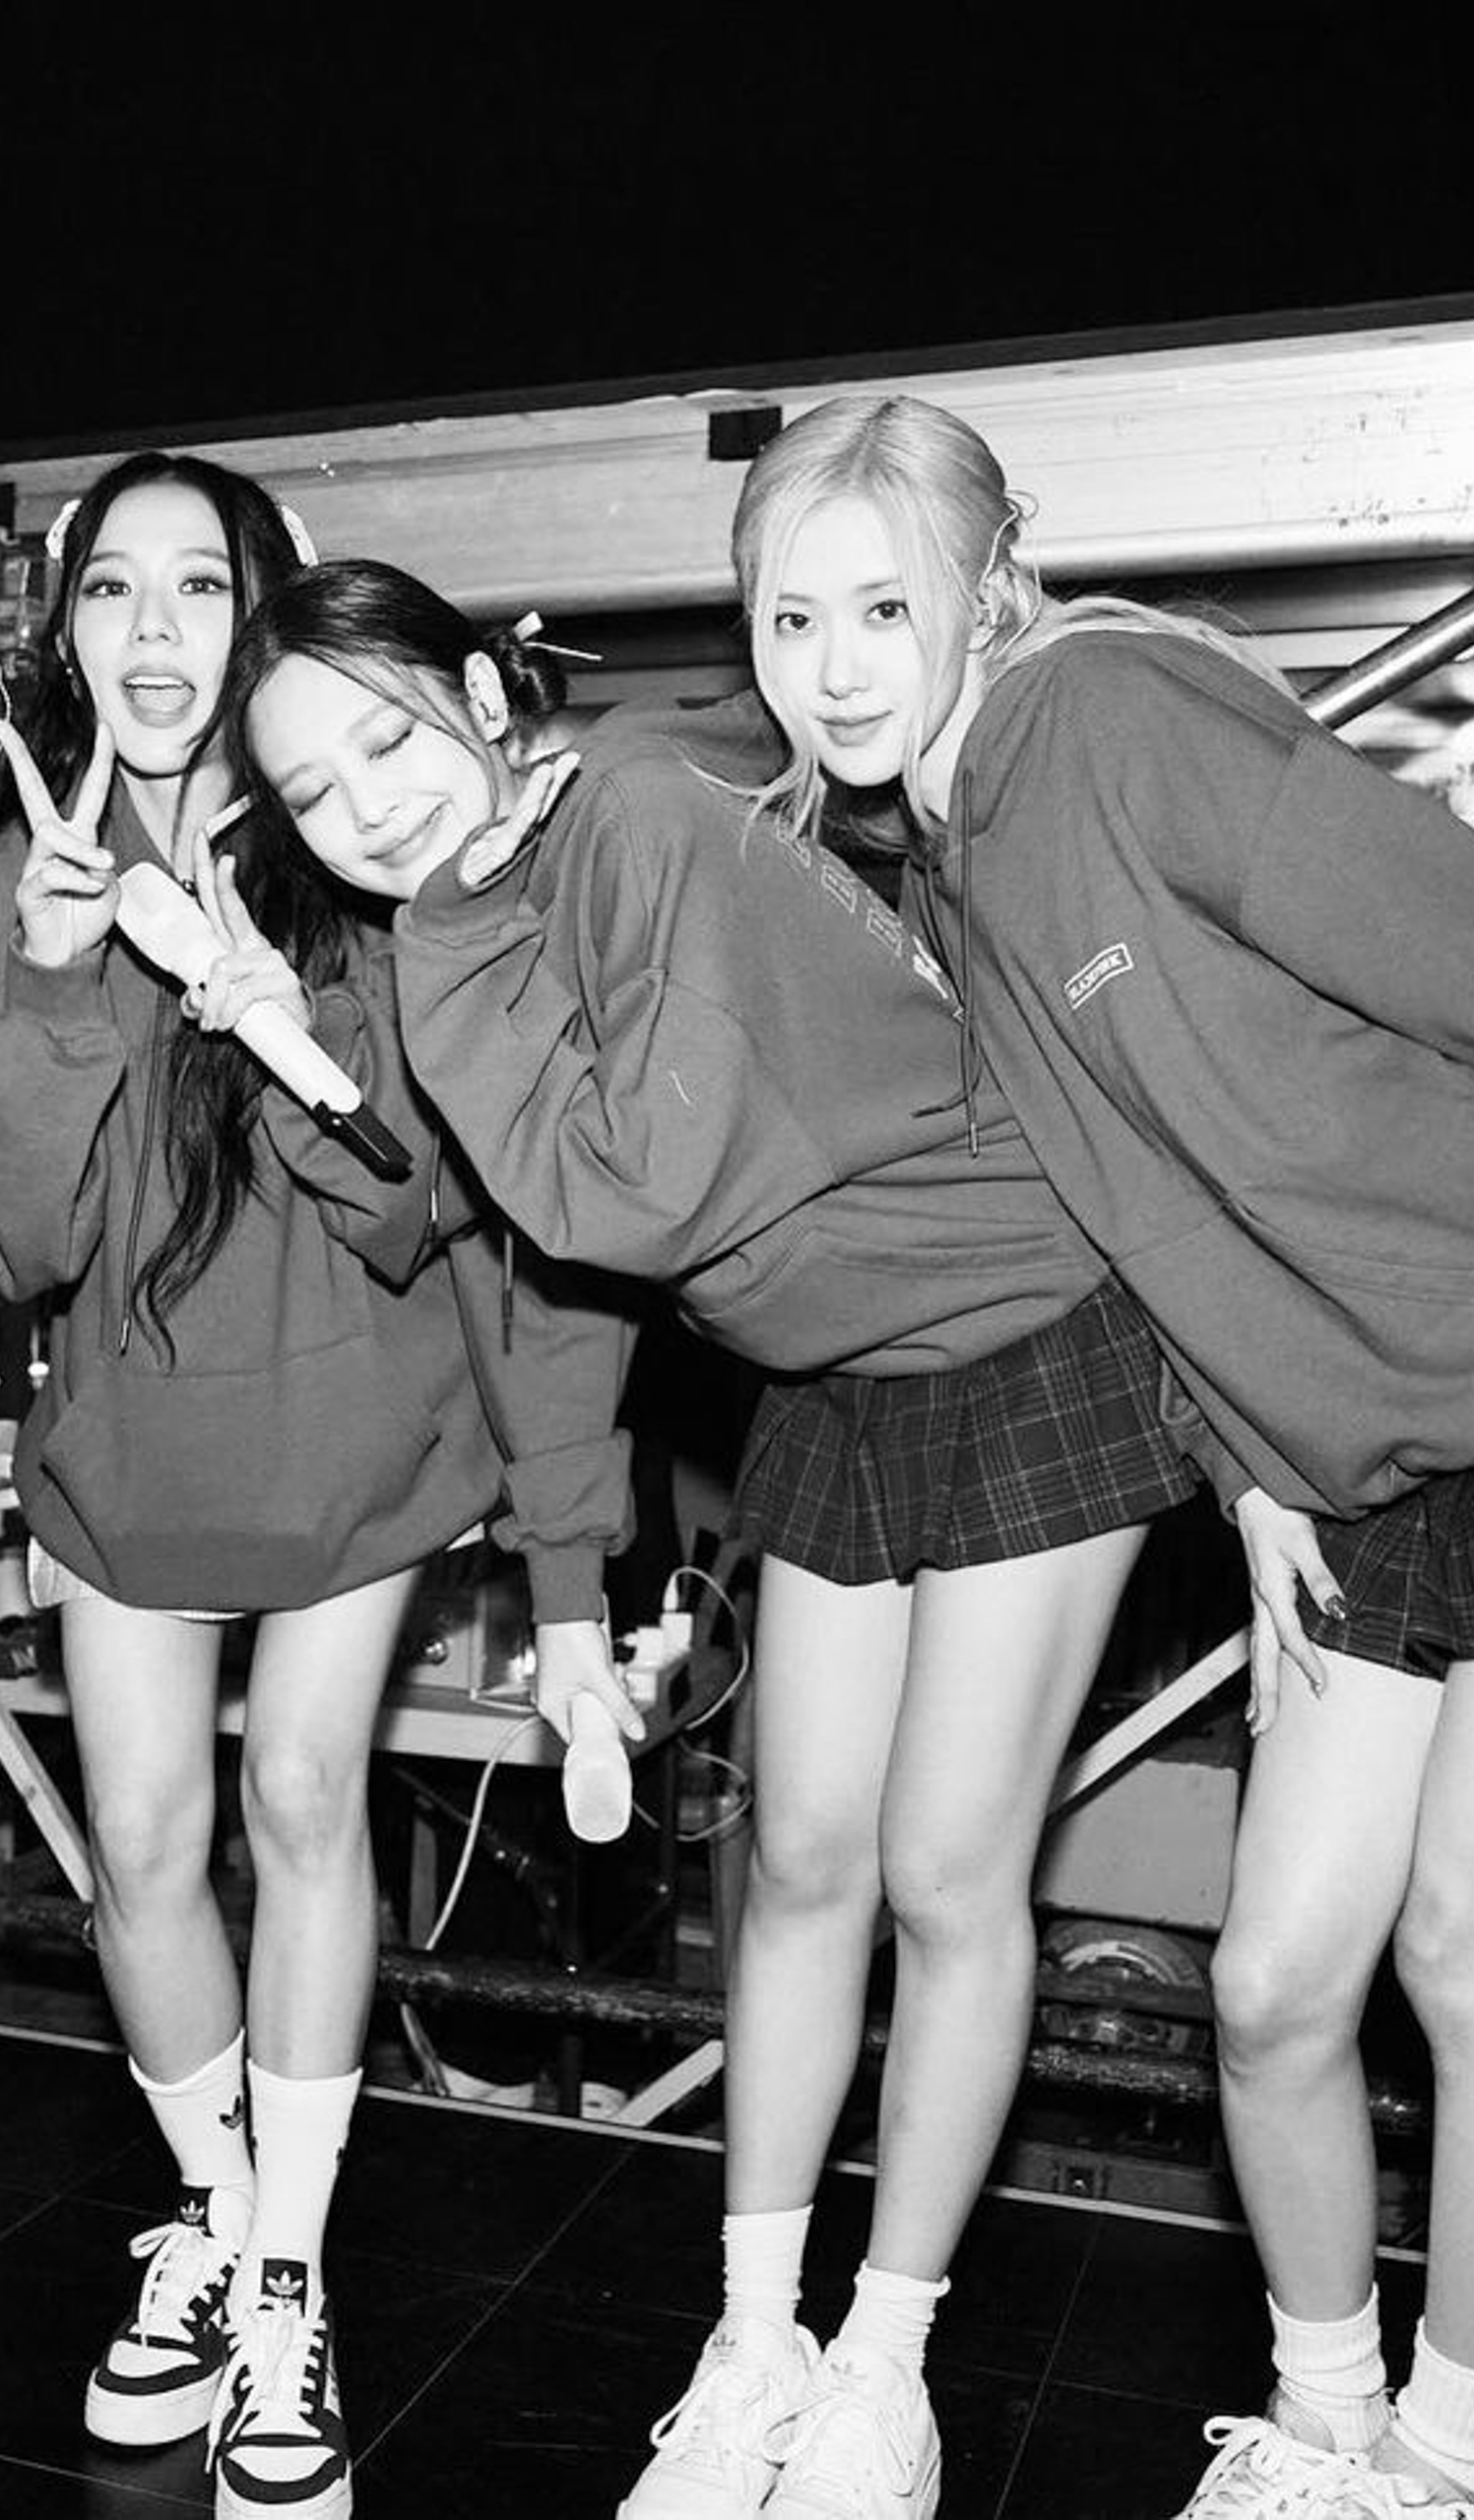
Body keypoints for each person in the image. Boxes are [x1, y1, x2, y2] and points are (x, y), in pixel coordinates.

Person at [227, 556, 1206, 2520]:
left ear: (480, 693)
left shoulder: (634, 816)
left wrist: (411, 985)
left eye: (382, 740)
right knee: (802, 1862)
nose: (364, 809)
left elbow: (628, 1197)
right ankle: (755, 2341)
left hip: (1030, 1329)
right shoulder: (465, 918)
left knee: (946, 1867)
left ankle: (886, 2365)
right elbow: (532, 1279)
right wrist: (568, 1610)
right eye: (311, 794)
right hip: (829, 1378)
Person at [715, 390, 1474, 2520]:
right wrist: (1244, 1462)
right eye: (791, 618)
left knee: (1457, 1950)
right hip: (1356, 1456)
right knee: (1275, 1985)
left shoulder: (1111, 715)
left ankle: (1436, 2445)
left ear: (990, 586)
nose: (835, 666)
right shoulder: (941, 853)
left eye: (884, 606)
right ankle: (1330, 2422)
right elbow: (1149, 1221)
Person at [0, 453, 634, 2520]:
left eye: (198, 586)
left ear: (263, 610)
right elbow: (15, 1235)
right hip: (127, 1446)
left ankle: (291, 2274)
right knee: (139, 1841)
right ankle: (218, 2221)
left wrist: (281, 1013)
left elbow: (425, 1204)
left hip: (358, 1430)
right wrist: (58, 974)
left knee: (304, 1801)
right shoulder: (13, 872)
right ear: (65, 627)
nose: (152, 632)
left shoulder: (359, 835)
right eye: (109, 589)